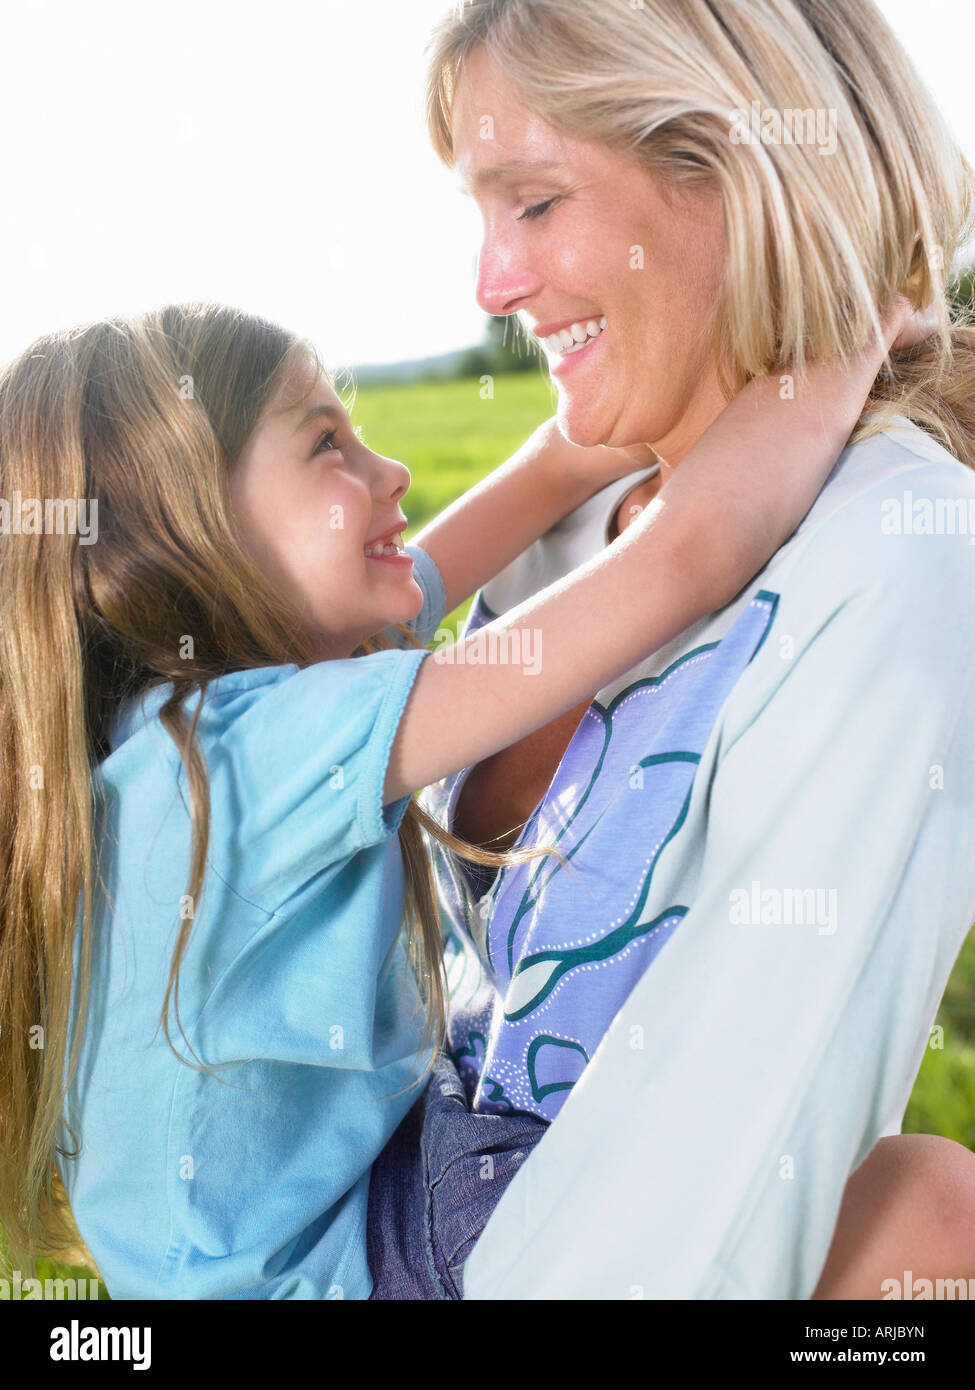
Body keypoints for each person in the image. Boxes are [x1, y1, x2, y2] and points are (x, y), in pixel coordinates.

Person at [0, 297, 909, 1298]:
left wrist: (664, 390)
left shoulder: (182, 731)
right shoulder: (241, 758)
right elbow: (686, 558)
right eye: (325, 444)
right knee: (921, 1208)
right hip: (351, 1265)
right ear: (190, 531)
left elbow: (542, 478)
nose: (387, 470)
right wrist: (852, 335)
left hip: (353, 1205)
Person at [374, 0, 975, 1300]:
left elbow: (717, 1185)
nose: (491, 285)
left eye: (535, 203)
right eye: (482, 215)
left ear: (736, 175)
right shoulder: (573, 515)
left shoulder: (900, 550)